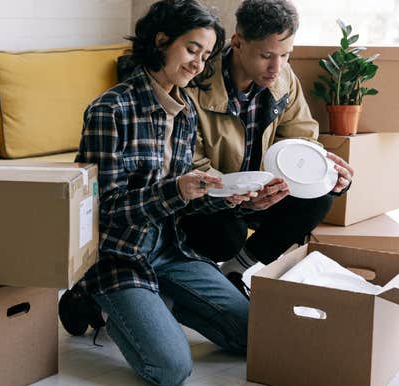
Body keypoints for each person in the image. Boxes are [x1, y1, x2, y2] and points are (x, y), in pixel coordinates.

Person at [59, 2, 253, 385]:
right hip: (118, 255)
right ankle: (90, 298)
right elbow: (103, 209)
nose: (199, 63)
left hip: (170, 250)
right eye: (192, 49)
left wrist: (225, 198)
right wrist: (175, 191)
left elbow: (182, 200)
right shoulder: (110, 110)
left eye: (206, 55)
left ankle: (159, 302)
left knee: (255, 333)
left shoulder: (184, 112)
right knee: (170, 369)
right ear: (162, 40)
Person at [179, 0, 355, 296]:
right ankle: (194, 275)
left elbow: (302, 139)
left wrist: (322, 173)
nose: (277, 67)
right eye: (266, 55)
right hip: (211, 200)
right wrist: (242, 196)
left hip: (263, 194)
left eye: (286, 54)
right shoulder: (196, 84)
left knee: (321, 196)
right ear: (238, 43)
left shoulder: (284, 78)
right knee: (227, 236)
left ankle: (237, 268)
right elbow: (190, 166)